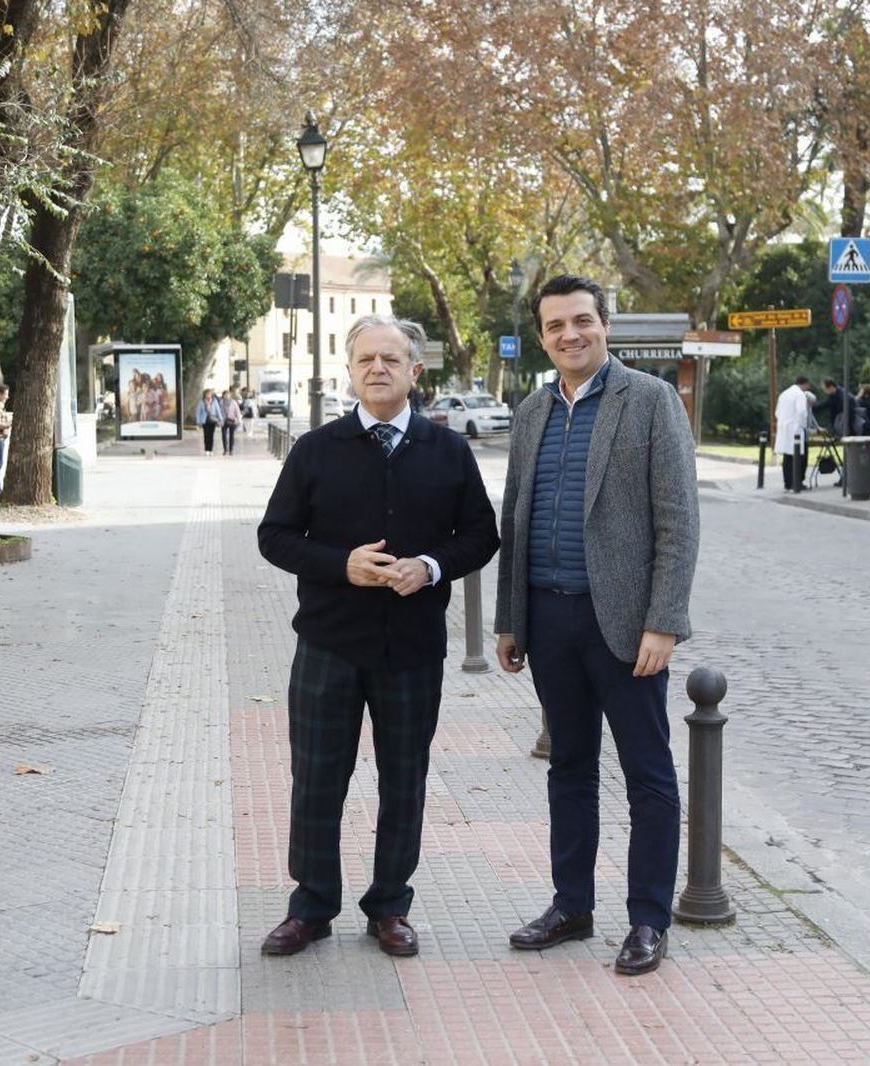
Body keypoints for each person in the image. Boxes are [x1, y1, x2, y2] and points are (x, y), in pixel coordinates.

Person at [256, 314, 499, 960]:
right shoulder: (315, 449)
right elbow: (274, 537)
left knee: (404, 779)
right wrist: (342, 564)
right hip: (328, 645)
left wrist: (432, 567)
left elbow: (481, 534)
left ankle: (390, 904)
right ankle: (310, 907)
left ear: (415, 371)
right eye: (366, 359)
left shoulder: (448, 452)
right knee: (316, 779)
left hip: (413, 650)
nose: (378, 369)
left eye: (391, 359)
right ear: (350, 370)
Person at [494, 274, 700, 977]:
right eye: (555, 326)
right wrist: (508, 620)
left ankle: (648, 919)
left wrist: (664, 621)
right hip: (548, 619)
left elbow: (678, 521)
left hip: (625, 625)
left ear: (604, 324)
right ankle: (571, 905)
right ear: (543, 336)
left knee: (649, 774)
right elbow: (513, 519)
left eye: (581, 320)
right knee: (569, 770)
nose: (569, 335)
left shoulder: (649, 401)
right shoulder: (530, 412)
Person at [774, 376, 815, 492]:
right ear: (805, 384)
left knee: (787, 457)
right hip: (796, 430)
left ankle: (788, 483)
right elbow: (802, 412)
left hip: (784, 429)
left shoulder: (784, 394)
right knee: (799, 457)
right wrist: (803, 426)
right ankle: (797, 482)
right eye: (808, 386)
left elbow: (777, 412)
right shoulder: (800, 395)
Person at [195, 388, 223, 455]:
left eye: (209, 394)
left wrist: (221, 419)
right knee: (206, 435)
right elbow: (198, 412)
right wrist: (198, 421)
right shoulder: (201, 402)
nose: (208, 395)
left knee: (211, 435)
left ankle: (210, 450)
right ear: (204, 395)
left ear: (211, 394)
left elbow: (218, 410)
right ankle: (206, 449)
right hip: (204, 420)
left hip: (212, 420)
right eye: (207, 394)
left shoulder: (214, 401)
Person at [220, 388, 242, 454]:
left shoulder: (234, 402)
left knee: (231, 435)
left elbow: (237, 411)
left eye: (228, 395)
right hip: (223, 420)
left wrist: (239, 420)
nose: (226, 396)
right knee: (224, 435)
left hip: (232, 420)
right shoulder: (221, 402)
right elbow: (219, 411)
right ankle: (225, 449)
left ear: (230, 395)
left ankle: (231, 450)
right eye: (225, 395)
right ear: (223, 395)